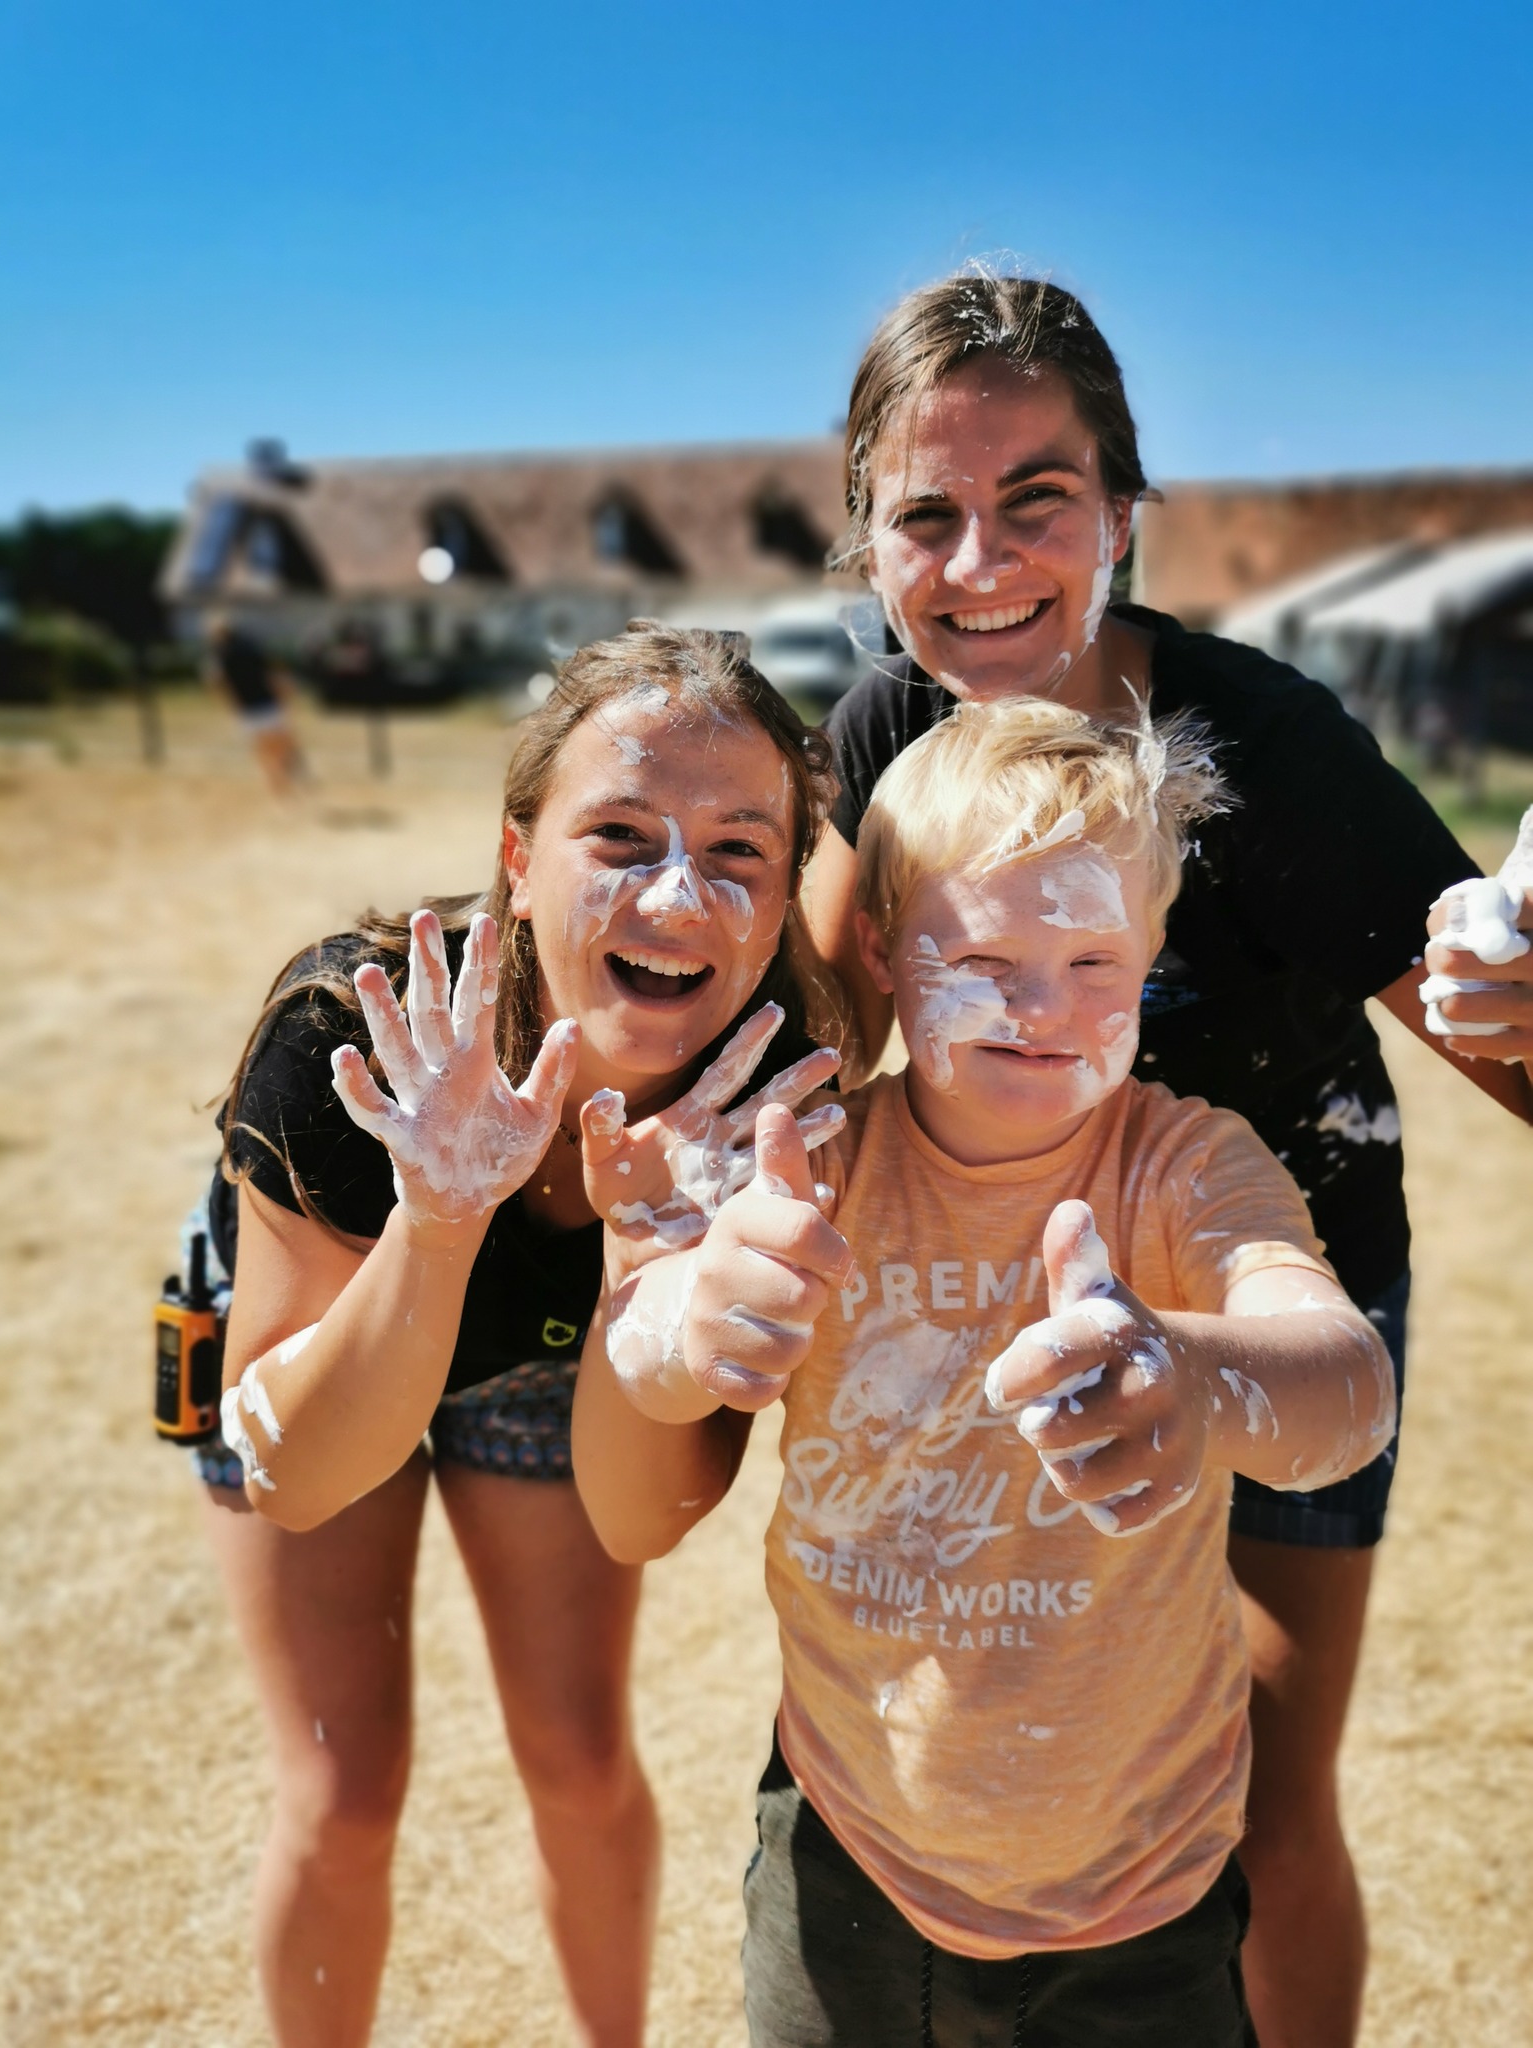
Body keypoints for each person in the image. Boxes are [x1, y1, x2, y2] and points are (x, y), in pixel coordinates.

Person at [791, 267, 1533, 2048]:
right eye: (926, 517)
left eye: (1036, 500)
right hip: (1020, 1313)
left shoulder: (1256, 749)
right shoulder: (889, 732)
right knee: (1028, 1744)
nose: (980, 564)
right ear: (867, 548)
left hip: (1277, 1289)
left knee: (1263, 1797)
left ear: (1123, 511)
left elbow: (1497, 1041)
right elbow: (809, 1049)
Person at [574, 697, 1400, 2045]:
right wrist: (690, 1319)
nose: (1045, 1006)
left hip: (1148, 1886)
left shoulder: (1188, 1166)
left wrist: (1194, 1376)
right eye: (994, 955)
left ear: (1153, 953)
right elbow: (659, 1352)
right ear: (892, 951)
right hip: (849, 1859)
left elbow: (1347, 1391)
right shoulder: (817, 1160)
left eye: (1093, 958)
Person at [193, 622, 844, 2047]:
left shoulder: (768, 1096)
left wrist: (649, 1251)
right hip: (339, 1315)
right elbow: (292, 1472)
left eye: (740, 850)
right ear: (517, 854)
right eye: (619, 834)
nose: (680, 892)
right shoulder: (348, 1039)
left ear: (790, 885)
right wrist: (438, 1212)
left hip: (560, 1352)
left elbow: (640, 1515)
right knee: (342, 1781)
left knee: (576, 1755)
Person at [205, 613, 310, 795]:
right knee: (282, 743)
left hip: (247, 708)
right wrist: (286, 695)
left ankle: (278, 783)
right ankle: (286, 773)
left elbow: (215, 681)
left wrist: (228, 702)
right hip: (267, 703)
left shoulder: (219, 656)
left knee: (264, 749)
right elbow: (274, 675)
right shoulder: (251, 648)